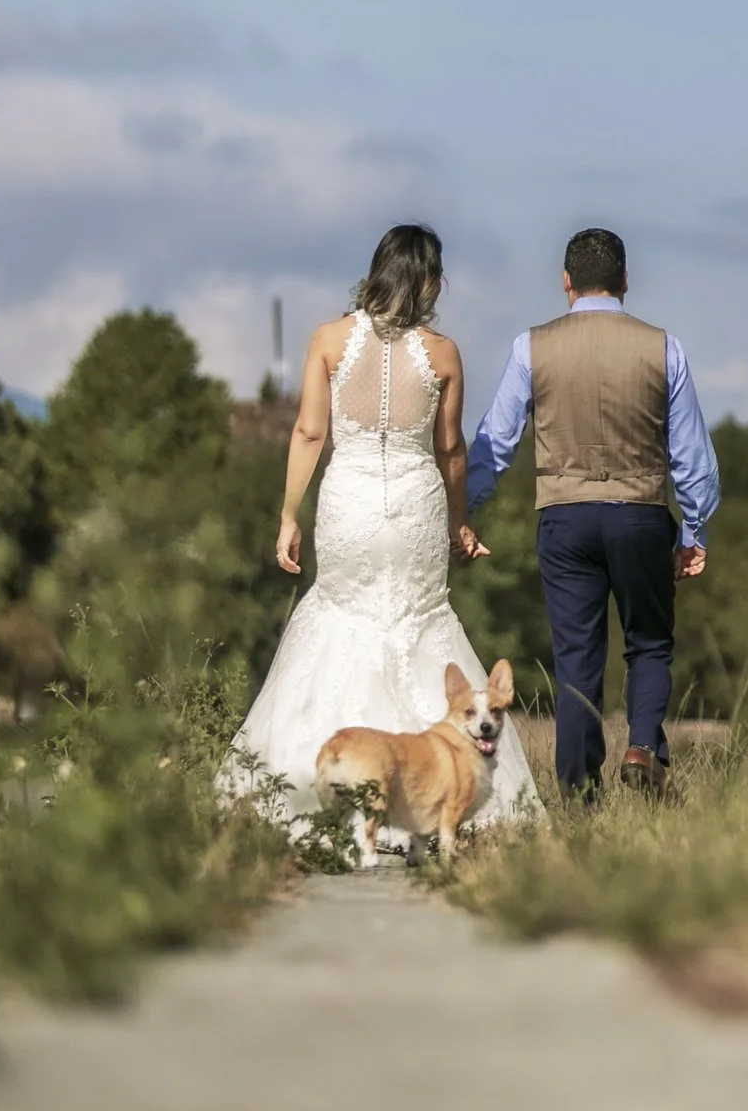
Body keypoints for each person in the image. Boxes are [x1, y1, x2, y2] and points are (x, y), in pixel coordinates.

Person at [228, 223, 539, 830]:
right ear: (425, 281)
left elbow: (310, 433)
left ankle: (318, 789)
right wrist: (459, 521)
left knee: (338, 617)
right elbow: (451, 451)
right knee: (421, 624)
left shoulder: (327, 340)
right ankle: (437, 801)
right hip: (417, 507)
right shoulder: (444, 354)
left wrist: (288, 513)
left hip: (350, 504)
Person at [465, 227, 719, 798]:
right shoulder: (664, 347)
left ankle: (580, 791)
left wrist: (466, 510)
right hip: (641, 512)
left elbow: (495, 442)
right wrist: (695, 529)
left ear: (566, 283)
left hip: (566, 517)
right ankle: (643, 747)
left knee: (576, 658)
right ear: (625, 281)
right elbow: (692, 456)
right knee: (649, 642)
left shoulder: (531, 346)